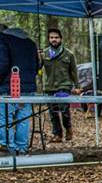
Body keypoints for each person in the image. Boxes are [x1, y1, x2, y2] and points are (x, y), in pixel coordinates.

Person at [0, 26, 40, 154]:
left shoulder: (3, 40)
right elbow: (38, 65)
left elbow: (2, 64)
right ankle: (21, 148)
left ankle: (7, 146)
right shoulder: (30, 42)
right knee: (23, 118)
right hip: (28, 88)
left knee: (6, 118)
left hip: (8, 88)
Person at [39, 28, 80, 143]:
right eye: (51, 37)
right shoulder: (44, 53)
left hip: (64, 86)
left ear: (61, 39)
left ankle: (68, 128)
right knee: (53, 112)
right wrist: (38, 59)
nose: (54, 40)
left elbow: (73, 71)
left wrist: (77, 86)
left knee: (64, 110)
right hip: (49, 87)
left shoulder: (69, 54)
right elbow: (38, 69)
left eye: (56, 37)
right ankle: (57, 134)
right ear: (48, 39)